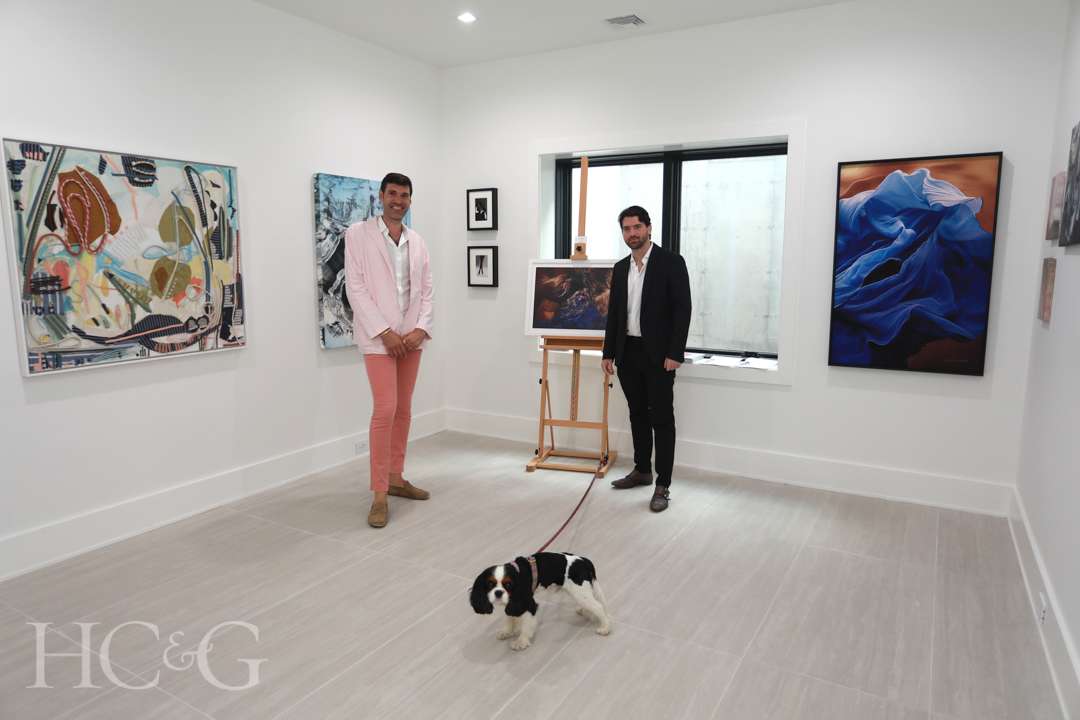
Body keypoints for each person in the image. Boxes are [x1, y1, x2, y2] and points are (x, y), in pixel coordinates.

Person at [345, 172, 433, 528]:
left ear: (410, 200)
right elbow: (355, 288)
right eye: (392, 193)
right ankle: (379, 492)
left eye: (404, 195)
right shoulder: (358, 234)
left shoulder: (418, 241)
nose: (398, 200)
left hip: (412, 338)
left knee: (404, 410)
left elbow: (426, 291)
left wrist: (420, 328)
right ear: (381, 196)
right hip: (378, 338)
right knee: (385, 409)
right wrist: (384, 332)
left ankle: (396, 477)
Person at [601, 206, 691, 512]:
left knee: (662, 419)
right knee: (637, 413)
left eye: (637, 227)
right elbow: (615, 314)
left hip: (660, 355)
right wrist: (608, 352)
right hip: (628, 352)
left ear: (649, 228)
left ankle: (662, 484)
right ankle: (642, 470)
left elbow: (682, 309)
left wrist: (675, 353)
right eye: (626, 229)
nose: (632, 234)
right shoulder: (620, 268)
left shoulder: (671, 262)